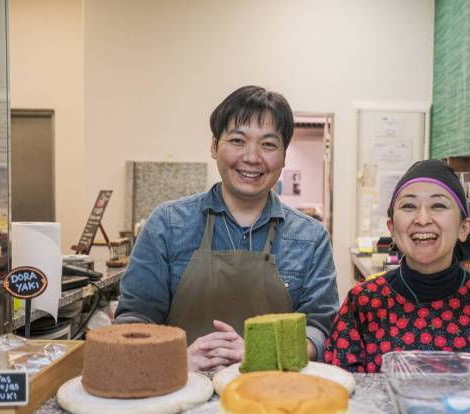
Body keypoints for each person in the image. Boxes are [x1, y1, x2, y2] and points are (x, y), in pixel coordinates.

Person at [116, 86, 339, 371]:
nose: (252, 157)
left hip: (272, 394)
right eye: (237, 140)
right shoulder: (168, 224)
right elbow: (135, 319)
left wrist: (264, 354)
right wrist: (175, 360)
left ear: (284, 156)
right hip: (179, 387)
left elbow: (319, 329)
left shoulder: (311, 237)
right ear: (214, 145)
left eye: (268, 145)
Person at [323, 160, 470, 373]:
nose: (422, 219)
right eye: (409, 206)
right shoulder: (363, 304)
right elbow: (341, 393)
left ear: (464, 228)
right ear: (392, 230)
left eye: (438, 206)